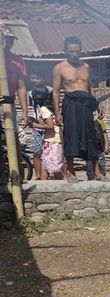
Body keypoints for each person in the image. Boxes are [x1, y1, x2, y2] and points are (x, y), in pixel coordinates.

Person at [52, 36, 108, 182]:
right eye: (71, 51)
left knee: (91, 136)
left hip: (86, 105)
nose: (74, 54)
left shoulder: (86, 67)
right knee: (71, 137)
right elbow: (56, 91)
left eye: (77, 51)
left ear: (81, 51)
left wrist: (97, 105)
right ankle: (71, 172)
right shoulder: (59, 68)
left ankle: (96, 172)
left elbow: (91, 89)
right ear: (65, 51)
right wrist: (57, 113)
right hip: (70, 104)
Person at [0, 25, 28, 182]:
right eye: (6, 40)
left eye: (11, 40)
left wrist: (24, 111)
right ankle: (2, 176)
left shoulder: (17, 60)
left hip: (9, 104)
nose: (9, 43)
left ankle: (19, 175)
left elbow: (21, 87)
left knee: (14, 138)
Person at [31, 103, 68, 180]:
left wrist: (35, 125)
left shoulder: (44, 109)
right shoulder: (52, 109)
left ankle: (62, 179)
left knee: (56, 163)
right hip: (51, 139)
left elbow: (50, 125)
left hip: (53, 140)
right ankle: (47, 182)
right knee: (48, 162)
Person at [27, 72, 53, 177]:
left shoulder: (50, 90)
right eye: (32, 78)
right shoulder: (30, 93)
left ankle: (55, 175)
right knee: (36, 152)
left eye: (37, 78)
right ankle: (38, 176)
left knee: (51, 152)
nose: (34, 80)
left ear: (42, 78)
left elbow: (55, 106)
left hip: (50, 125)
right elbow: (34, 109)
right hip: (37, 126)